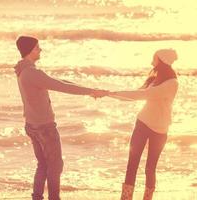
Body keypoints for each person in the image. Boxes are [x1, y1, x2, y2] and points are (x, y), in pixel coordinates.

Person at [14, 36, 108, 200]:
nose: (40, 50)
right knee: (55, 166)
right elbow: (62, 86)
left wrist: (90, 89)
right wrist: (91, 91)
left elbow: (57, 81)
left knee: (43, 165)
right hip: (44, 127)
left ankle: (37, 197)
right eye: (37, 47)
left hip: (32, 125)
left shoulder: (23, 69)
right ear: (30, 50)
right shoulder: (32, 72)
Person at [108, 49, 179, 200]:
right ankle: (125, 198)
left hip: (160, 130)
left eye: (154, 59)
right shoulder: (154, 79)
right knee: (132, 164)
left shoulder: (172, 83)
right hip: (142, 124)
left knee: (150, 168)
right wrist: (110, 94)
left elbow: (144, 95)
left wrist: (111, 93)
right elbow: (134, 95)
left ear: (162, 61)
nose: (151, 62)